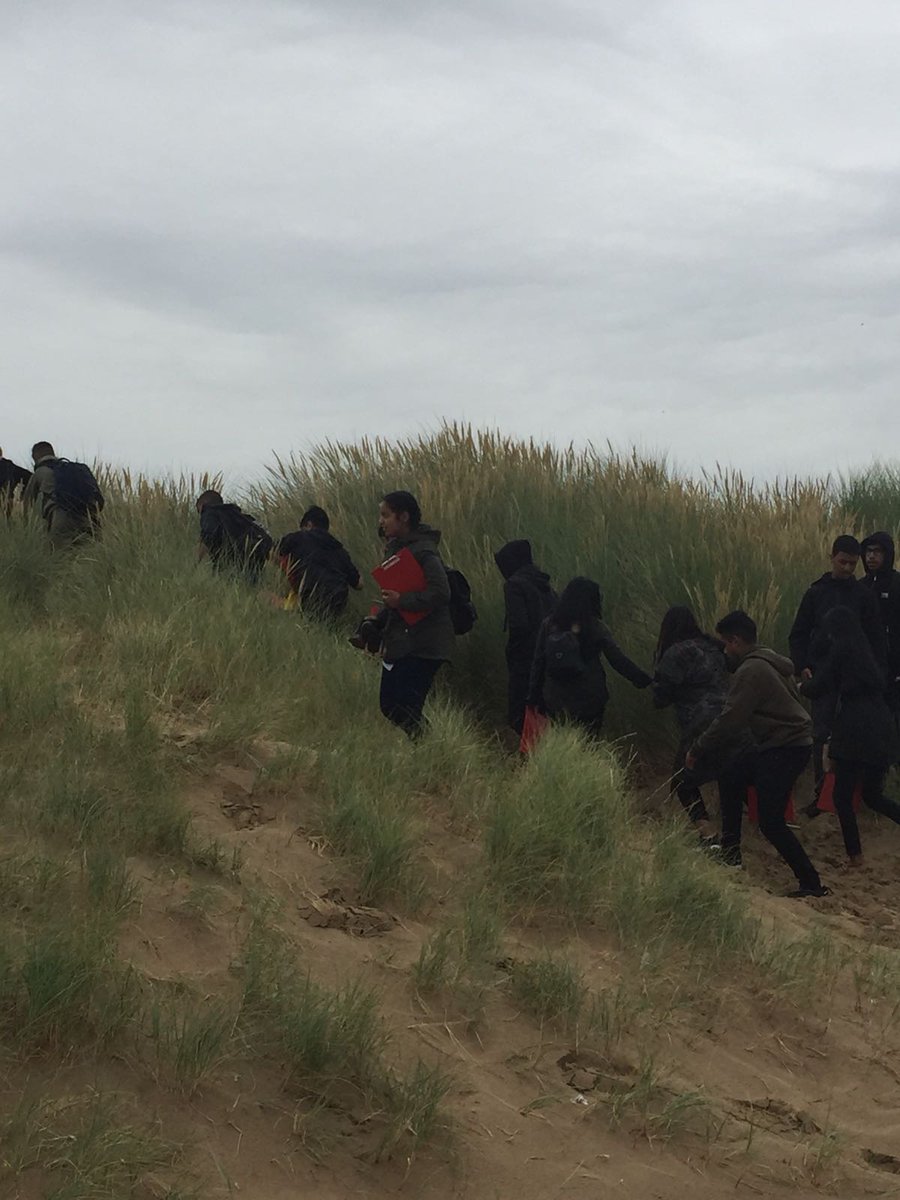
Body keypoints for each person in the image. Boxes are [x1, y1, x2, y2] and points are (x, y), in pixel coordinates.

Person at [688, 610, 829, 899]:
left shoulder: (751, 670)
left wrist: (698, 748)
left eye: (726, 644)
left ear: (736, 641)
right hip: (787, 744)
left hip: (785, 748)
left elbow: (731, 719)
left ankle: (811, 883)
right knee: (731, 774)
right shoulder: (770, 661)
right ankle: (730, 853)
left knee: (771, 821)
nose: (725, 651)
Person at [788, 534, 886, 810]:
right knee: (820, 734)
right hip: (822, 675)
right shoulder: (816, 592)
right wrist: (802, 665)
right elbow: (798, 634)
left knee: (853, 737)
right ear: (832, 557)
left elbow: (876, 640)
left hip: (856, 681)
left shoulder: (864, 596)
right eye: (843, 562)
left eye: (853, 564)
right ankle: (822, 797)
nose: (847, 568)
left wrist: (876, 675)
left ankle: (853, 797)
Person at [800, 607, 900, 866]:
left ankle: (855, 856)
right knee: (873, 795)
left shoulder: (840, 650)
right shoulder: (866, 653)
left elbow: (818, 686)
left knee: (842, 797)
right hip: (883, 727)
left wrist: (802, 684)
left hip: (855, 732)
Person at [374, 490, 455, 737]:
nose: (381, 521)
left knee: (405, 708)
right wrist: (377, 622)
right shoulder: (395, 550)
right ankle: (428, 749)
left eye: (386, 515)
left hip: (425, 645)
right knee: (390, 705)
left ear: (404, 517)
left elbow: (442, 592)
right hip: (402, 641)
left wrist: (403, 600)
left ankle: (431, 752)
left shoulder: (425, 551)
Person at [527, 577, 651, 737]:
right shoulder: (595, 627)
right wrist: (641, 678)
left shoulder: (549, 625)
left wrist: (533, 696)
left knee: (561, 742)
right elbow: (617, 659)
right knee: (588, 743)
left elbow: (538, 663)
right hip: (589, 699)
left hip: (555, 699)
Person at [652, 606, 733, 838]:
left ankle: (707, 834)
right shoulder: (714, 647)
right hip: (731, 717)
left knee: (683, 781)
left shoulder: (675, 653)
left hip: (699, 722)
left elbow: (660, 699)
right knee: (730, 775)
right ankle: (732, 836)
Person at [494, 539, 556, 735]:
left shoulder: (514, 585)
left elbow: (519, 625)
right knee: (540, 712)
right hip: (548, 657)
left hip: (524, 659)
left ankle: (530, 758)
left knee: (518, 714)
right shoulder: (545, 585)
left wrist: (512, 652)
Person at [277, 506, 362, 619]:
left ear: (309, 525)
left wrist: (289, 570)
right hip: (337, 605)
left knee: (264, 597)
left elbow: (272, 551)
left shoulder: (299, 537)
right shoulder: (340, 550)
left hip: (309, 600)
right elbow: (359, 584)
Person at [22, 441, 104, 548]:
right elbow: (100, 499)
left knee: (60, 557)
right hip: (88, 516)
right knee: (90, 556)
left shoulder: (40, 472)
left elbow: (27, 504)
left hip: (61, 518)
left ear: (35, 456)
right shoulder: (78, 470)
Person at [859, 531, 900, 713]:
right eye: (868, 551)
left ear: (887, 554)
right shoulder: (860, 586)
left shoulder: (897, 584)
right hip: (866, 664)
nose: (871, 556)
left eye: (877, 552)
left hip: (893, 665)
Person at [196, 489, 273, 582]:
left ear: (203, 504)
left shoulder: (209, 512)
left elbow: (210, 534)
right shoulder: (239, 516)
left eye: (198, 510)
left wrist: (196, 563)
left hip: (230, 567)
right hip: (254, 564)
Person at [0, 448, 31, 517]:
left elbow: (29, 478)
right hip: (7, 505)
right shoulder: (9, 466)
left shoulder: (8, 466)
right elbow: (30, 477)